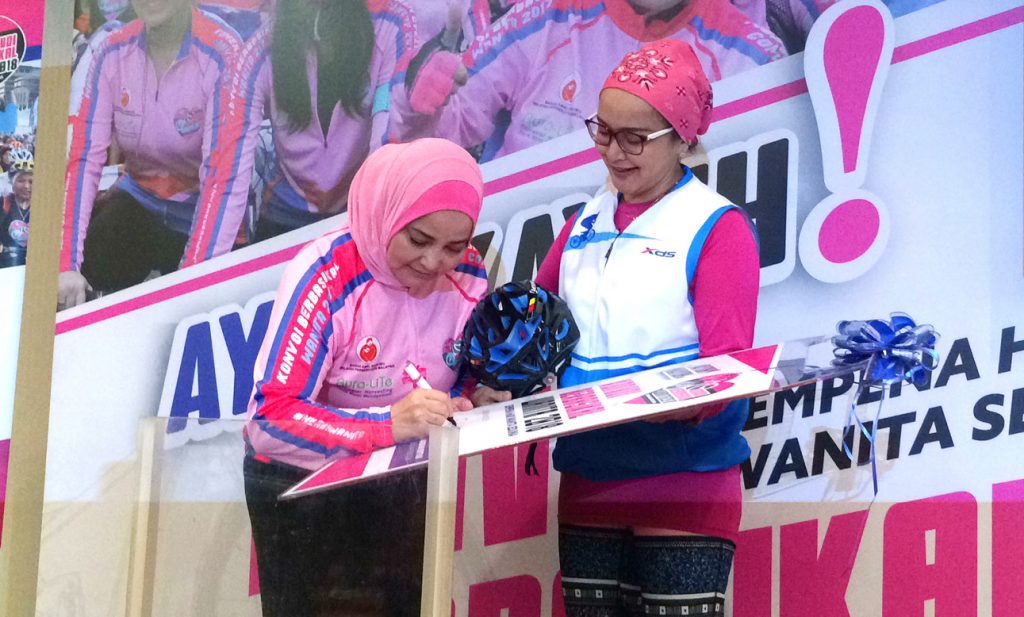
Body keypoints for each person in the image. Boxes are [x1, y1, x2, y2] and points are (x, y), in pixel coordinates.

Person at [533, 39, 760, 615]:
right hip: (590, 473)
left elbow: (728, 367)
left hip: (685, 476)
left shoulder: (717, 226)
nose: (614, 152)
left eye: (634, 138)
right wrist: (499, 378)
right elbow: (534, 326)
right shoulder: (583, 223)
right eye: (604, 132)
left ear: (682, 137)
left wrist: (660, 404)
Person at [243, 138, 490, 617]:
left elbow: (462, 373)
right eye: (417, 239)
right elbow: (270, 420)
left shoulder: (470, 271)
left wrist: (470, 397)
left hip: (403, 476)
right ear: (386, 214)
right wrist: (387, 424)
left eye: (454, 247)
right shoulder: (327, 272)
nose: (434, 262)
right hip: (304, 483)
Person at [392, 0, 786, 160]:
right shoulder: (549, 15)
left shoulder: (753, 57)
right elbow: (439, 135)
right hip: (521, 279)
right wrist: (420, 107)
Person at [190, 0, 416, 263]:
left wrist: (379, 251)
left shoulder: (393, 23)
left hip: (359, 217)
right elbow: (226, 175)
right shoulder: (258, 47)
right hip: (284, 216)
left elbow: (387, 148)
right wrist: (193, 279)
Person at [58, 0, 242, 309]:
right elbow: (85, 158)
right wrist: (66, 264)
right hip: (140, 204)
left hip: (203, 212)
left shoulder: (223, 51)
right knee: (73, 282)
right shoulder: (111, 52)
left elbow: (223, 178)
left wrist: (196, 279)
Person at [0, 154, 33, 268]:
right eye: (21, 181)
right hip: (5, 263)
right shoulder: (3, 203)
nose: (26, 186)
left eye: (31, 181)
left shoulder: (43, 206)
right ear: (12, 183)